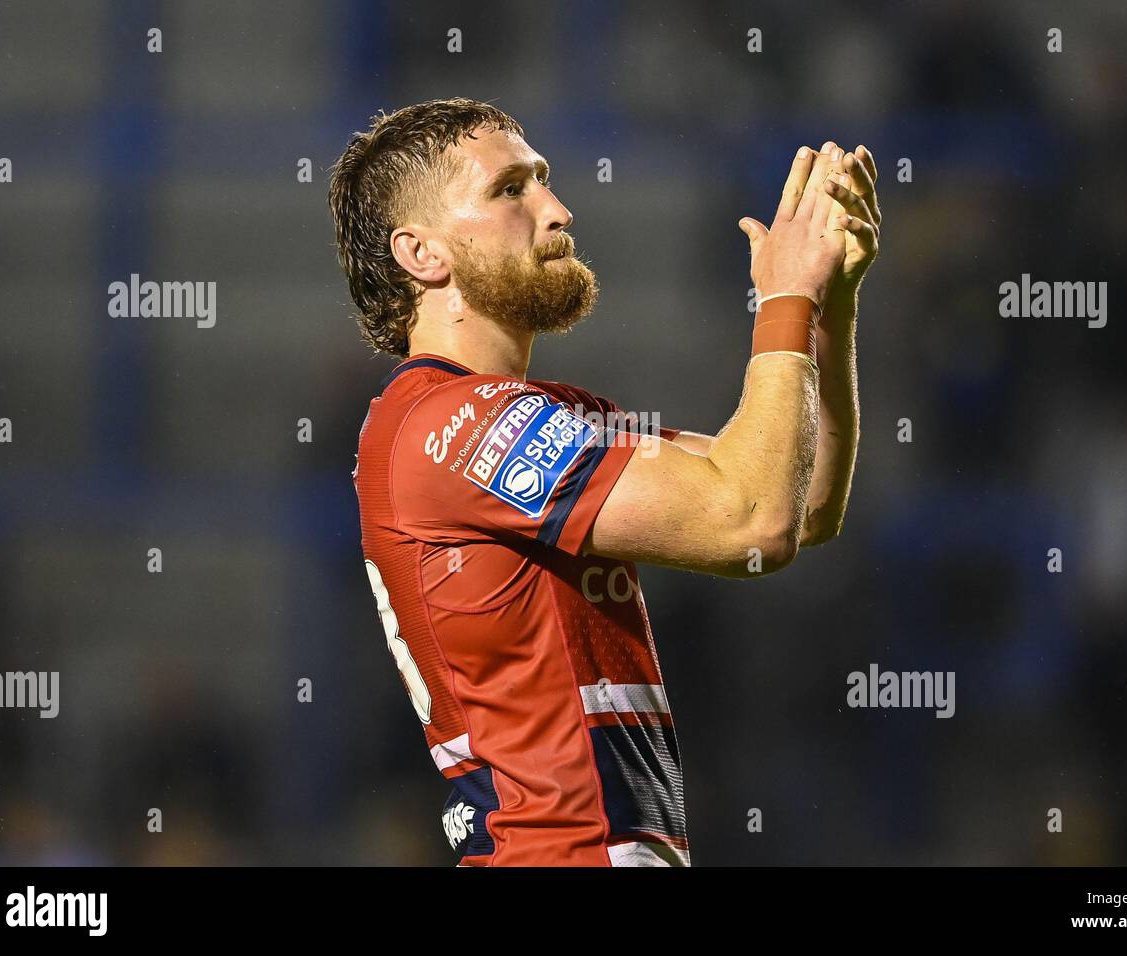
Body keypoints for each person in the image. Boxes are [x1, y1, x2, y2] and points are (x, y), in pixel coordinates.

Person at [328, 97, 879, 866]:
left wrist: (825, 309)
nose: (557, 210)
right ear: (422, 253)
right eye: (510, 190)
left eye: (544, 182)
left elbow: (801, 496)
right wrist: (781, 298)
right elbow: (749, 520)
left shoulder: (532, 416)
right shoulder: (449, 424)